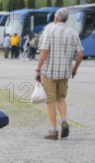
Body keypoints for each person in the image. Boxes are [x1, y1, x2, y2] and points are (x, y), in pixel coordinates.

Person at [35, 8, 84, 140]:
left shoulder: (49, 31)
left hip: (49, 72)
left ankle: (53, 131)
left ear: (56, 18)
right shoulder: (73, 32)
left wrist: (38, 69)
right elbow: (80, 53)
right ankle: (64, 121)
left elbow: (44, 52)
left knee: (50, 100)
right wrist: (75, 69)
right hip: (65, 73)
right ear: (66, 19)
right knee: (61, 98)